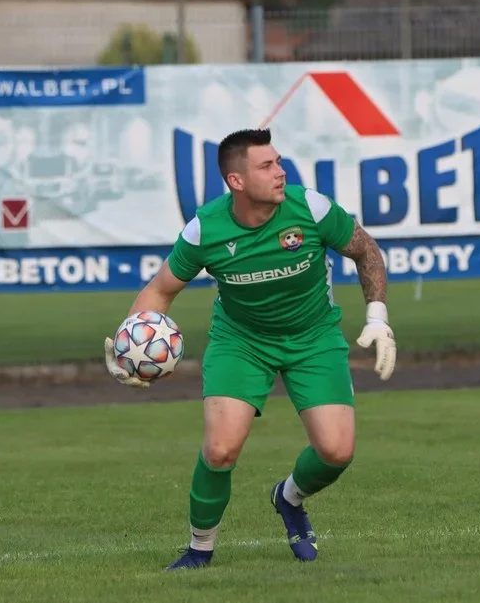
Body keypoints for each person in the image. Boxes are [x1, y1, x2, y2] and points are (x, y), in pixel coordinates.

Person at [103, 128, 396, 570]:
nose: (281, 173)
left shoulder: (310, 207)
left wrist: (377, 317)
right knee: (221, 449)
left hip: (313, 338)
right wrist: (129, 343)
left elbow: (366, 251)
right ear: (236, 182)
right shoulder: (207, 228)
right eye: (267, 166)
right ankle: (199, 550)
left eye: (279, 162)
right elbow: (160, 290)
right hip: (241, 342)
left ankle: (289, 497)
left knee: (336, 451)